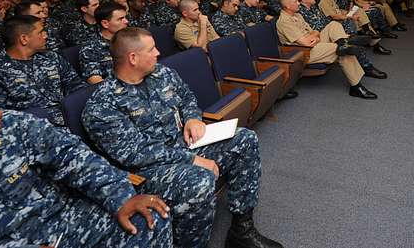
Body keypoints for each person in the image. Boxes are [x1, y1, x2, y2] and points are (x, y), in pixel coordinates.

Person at [82, 28, 283, 248]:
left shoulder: (161, 73)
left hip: (184, 145)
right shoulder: (102, 105)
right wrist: (191, 160)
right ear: (133, 58)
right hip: (148, 170)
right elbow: (135, 154)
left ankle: (241, 231)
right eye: (151, 49)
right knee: (199, 180)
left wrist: (192, 118)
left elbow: (186, 96)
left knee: (244, 139)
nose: (158, 52)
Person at [0, 86, 172, 248]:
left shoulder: (13, 125)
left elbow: (73, 156)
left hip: (64, 221)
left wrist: (120, 196)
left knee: (149, 218)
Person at [0, 15, 87, 125]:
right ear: (24, 39)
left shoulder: (51, 57)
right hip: (32, 129)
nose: (46, 35)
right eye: (40, 32)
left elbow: (76, 85)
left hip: (69, 118)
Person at [276, 0, 378, 99]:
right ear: (287, 6)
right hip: (303, 52)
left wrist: (314, 36)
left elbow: (315, 31)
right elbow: (306, 43)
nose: (298, 3)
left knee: (334, 25)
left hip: (314, 43)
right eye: (295, 1)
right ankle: (356, 86)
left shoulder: (297, 15)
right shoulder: (284, 22)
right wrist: (314, 36)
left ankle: (344, 42)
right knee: (340, 49)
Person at [80, 2, 128, 84]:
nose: (126, 21)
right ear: (105, 24)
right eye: (120, 19)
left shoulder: (130, 39)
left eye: (125, 17)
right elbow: (95, 81)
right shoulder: (91, 48)